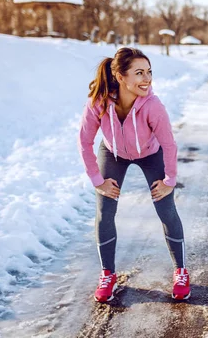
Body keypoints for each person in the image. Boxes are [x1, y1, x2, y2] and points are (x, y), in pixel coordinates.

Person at [78, 47, 190, 302]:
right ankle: (108, 273)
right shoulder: (98, 102)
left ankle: (181, 270)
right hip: (113, 153)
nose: (147, 79)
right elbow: (84, 142)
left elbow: (169, 144)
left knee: (166, 208)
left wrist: (169, 181)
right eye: (139, 73)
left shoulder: (153, 106)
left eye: (149, 72)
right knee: (105, 210)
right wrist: (98, 180)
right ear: (120, 76)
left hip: (151, 153)